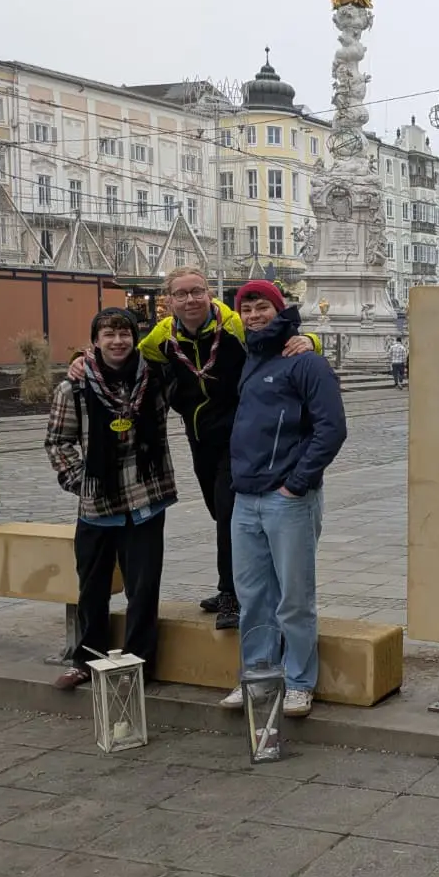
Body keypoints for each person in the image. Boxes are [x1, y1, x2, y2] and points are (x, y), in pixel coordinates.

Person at [80, 267, 314, 632]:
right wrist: (84, 362)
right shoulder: (163, 334)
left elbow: (279, 336)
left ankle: (232, 594)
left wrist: (310, 340)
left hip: (240, 437)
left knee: (228, 511)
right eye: (181, 294)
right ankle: (234, 585)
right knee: (216, 510)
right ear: (169, 300)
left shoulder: (234, 323)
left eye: (197, 291)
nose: (190, 300)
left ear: (209, 293)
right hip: (200, 436)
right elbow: (127, 360)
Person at [220, 281, 347, 718]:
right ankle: (258, 674)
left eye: (263, 307)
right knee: (252, 595)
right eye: (248, 308)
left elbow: (331, 428)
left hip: (286, 499)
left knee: (293, 596)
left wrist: (297, 482)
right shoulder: (250, 357)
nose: (255, 315)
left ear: (279, 310)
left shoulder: (305, 361)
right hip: (246, 497)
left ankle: (298, 681)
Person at [45, 308, 175, 691]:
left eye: (124, 334)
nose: (117, 341)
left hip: (146, 499)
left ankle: (138, 662)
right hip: (98, 506)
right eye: (108, 335)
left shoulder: (156, 378)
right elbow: (58, 441)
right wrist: (83, 481)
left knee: (144, 588)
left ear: (135, 338)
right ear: (96, 341)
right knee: (92, 588)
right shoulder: (76, 387)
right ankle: (86, 659)